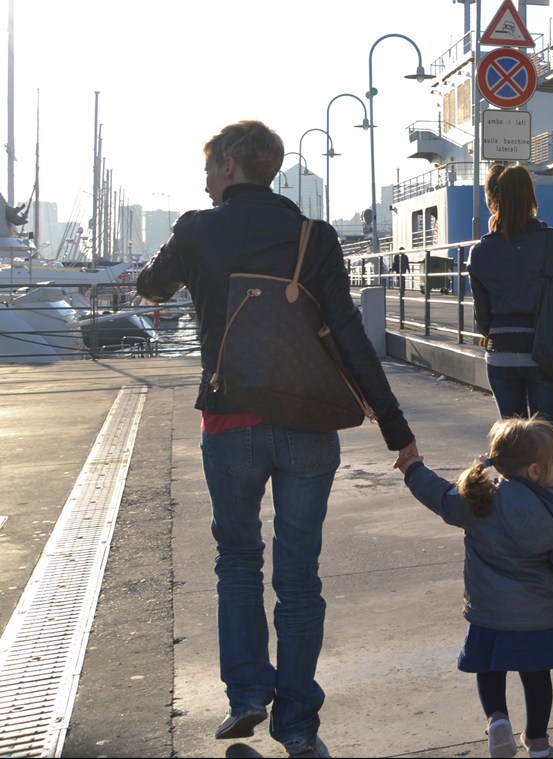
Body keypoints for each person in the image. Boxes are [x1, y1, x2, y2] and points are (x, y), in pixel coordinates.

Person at [135, 120, 419, 759]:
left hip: (229, 424)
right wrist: (397, 432)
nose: (205, 181)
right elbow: (349, 336)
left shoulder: (196, 229)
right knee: (299, 575)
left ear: (232, 166)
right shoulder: (312, 237)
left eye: (210, 168)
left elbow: (151, 285)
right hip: (308, 424)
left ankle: (246, 695)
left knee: (237, 559)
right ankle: (298, 723)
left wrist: (157, 271)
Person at [397, 415, 553, 759]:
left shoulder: (478, 499)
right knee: (536, 679)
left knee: (489, 669)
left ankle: (497, 719)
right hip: (538, 617)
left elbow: (439, 494)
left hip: (488, 614)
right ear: (535, 471)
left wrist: (412, 467)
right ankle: (537, 742)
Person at [467, 164, 553, 430]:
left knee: (512, 444)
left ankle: (510, 473)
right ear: (531, 198)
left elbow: (482, 321)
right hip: (545, 352)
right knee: (546, 443)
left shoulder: (479, 252)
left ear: (495, 200)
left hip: (500, 354)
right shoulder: (551, 242)